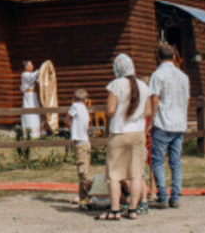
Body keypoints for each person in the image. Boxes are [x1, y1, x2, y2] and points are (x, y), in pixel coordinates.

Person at [97, 53, 150, 221]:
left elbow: (110, 110)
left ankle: (115, 210)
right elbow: (148, 111)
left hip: (119, 132)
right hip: (137, 132)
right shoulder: (143, 86)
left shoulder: (115, 85)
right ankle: (133, 209)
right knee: (136, 173)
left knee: (114, 174)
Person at [149, 43, 189, 210]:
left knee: (157, 160)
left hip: (163, 121)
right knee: (175, 161)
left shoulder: (157, 75)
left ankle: (162, 195)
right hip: (179, 123)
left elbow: (155, 99)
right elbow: (187, 101)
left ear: (158, 58)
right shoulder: (183, 76)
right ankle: (175, 196)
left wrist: (151, 119)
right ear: (173, 57)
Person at [64, 88, 92, 208]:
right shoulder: (85, 109)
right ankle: (82, 196)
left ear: (74, 98)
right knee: (84, 169)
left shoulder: (75, 106)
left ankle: (87, 195)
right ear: (86, 100)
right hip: (86, 142)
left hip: (79, 143)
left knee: (82, 172)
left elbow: (67, 118)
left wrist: (71, 129)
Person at [19, 61, 41, 139]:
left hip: (33, 96)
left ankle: (37, 133)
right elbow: (31, 77)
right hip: (28, 97)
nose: (32, 66)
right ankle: (29, 132)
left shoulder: (31, 74)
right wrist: (39, 71)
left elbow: (37, 79)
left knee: (35, 112)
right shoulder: (24, 74)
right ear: (26, 67)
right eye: (31, 65)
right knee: (29, 113)